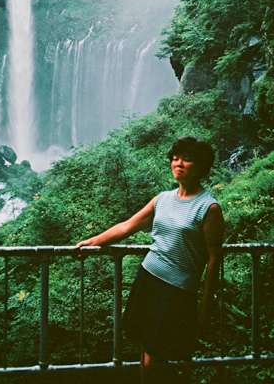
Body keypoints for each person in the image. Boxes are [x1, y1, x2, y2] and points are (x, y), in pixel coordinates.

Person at [76, 136, 224, 383]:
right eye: (175, 158)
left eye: (186, 159)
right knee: (144, 349)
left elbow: (213, 259)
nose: (178, 163)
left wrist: (206, 304)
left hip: (177, 290)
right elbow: (127, 226)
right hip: (148, 278)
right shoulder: (162, 199)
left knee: (154, 357)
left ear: (201, 166)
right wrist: (94, 241)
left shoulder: (209, 208)